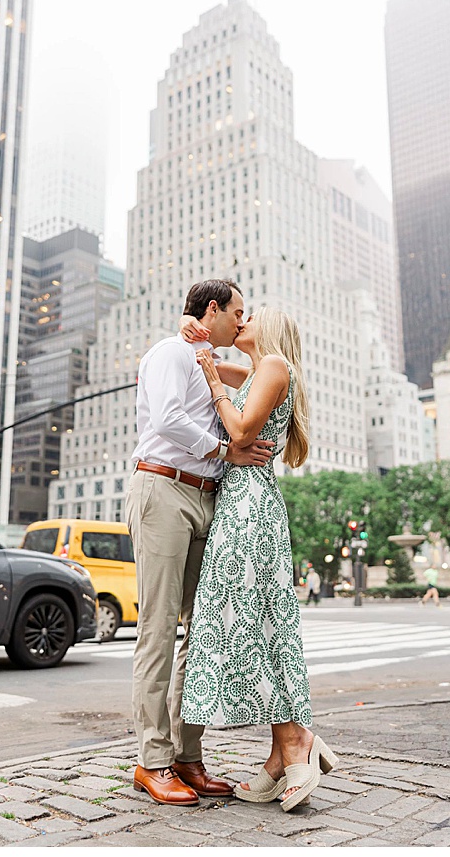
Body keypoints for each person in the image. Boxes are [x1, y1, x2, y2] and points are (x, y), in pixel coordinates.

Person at [177, 306, 337, 812]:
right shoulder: (257, 369)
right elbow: (201, 358)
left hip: (249, 507)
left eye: (251, 316)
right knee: (258, 621)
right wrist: (191, 334)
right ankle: (281, 751)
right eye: (237, 314)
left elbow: (242, 432)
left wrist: (217, 388)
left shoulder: (273, 367)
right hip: (240, 504)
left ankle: (295, 742)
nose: (241, 321)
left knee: (254, 621)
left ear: (271, 331)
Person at [124, 279, 277, 807]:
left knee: (204, 633)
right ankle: (153, 761)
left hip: (206, 496)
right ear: (212, 309)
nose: (242, 320)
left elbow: (249, 379)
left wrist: (207, 345)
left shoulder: (206, 357)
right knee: (159, 629)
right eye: (237, 311)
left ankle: (188, 757)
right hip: (163, 488)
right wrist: (225, 450)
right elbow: (167, 419)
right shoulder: (170, 351)